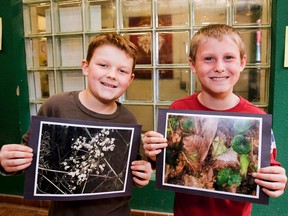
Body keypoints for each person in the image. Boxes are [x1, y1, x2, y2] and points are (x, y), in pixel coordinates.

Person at [0, 32, 152, 216]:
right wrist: (6, 163)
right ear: (86, 67)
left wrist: (141, 174)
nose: (112, 75)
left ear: (130, 79)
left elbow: (132, 168)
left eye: (122, 71)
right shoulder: (56, 107)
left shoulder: (129, 119)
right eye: (103, 65)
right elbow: (28, 157)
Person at [143, 24, 287, 216]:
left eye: (228, 58)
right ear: (193, 65)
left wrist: (277, 181)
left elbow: (270, 167)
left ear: (242, 62)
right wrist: (153, 153)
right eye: (209, 59)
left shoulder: (256, 118)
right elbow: (165, 162)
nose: (219, 67)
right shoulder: (179, 109)